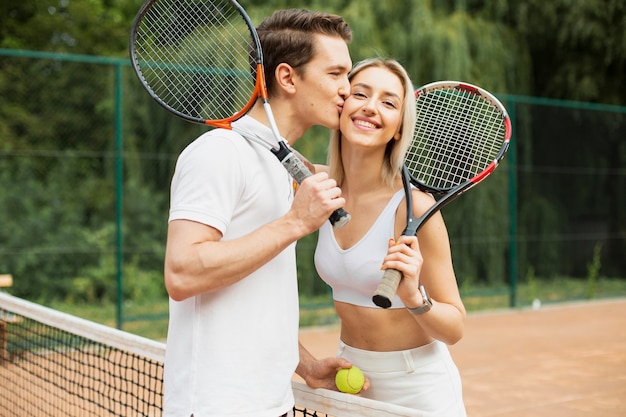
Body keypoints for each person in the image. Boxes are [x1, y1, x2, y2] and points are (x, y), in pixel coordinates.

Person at [162, 9, 355, 417]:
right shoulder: (218, 152)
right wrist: (295, 223)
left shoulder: (278, 162)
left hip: (271, 402)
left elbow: (254, 296)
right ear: (287, 78)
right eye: (336, 74)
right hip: (217, 407)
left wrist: (305, 365)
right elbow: (182, 273)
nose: (348, 90)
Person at [309, 58, 468, 416]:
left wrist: (414, 297)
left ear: (398, 128)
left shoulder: (414, 209)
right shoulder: (317, 188)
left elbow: (455, 326)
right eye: (360, 94)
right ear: (342, 105)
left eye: (388, 102)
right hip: (349, 377)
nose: (370, 106)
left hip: (417, 385)